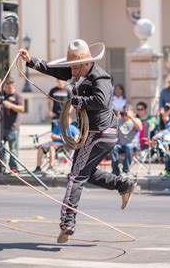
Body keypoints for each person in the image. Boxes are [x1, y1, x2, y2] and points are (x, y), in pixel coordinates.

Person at [19, 39, 136, 243]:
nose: (71, 70)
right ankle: (124, 185)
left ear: (84, 63)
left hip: (100, 132)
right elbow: (54, 70)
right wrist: (31, 61)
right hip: (94, 133)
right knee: (85, 174)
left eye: (74, 66)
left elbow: (101, 101)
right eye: (70, 65)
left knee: (75, 176)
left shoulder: (100, 76)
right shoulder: (77, 72)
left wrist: (78, 101)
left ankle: (68, 223)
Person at [0, 77, 25, 173]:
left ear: (13, 86)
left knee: (13, 149)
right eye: (5, 87)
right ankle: (0, 167)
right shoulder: (0, 95)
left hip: (13, 127)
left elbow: (22, 109)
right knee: (0, 148)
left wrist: (11, 105)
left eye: (9, 88)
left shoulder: (18, 96)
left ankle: (14, 168)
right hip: (0, 126)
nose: (7, 89)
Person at [110, 104, 142, 176]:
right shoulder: (119, 120)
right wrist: (116, 116)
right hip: (121, 146)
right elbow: (111, 127)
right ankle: (115, 170)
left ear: (131, 112)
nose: (124, 114)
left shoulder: (136, 120)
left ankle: (126, 170)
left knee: (128, 146)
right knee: (112, 147)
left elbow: (140, 128)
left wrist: (131, 117)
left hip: (133, 146)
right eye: (123, 112)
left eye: (126, 112)